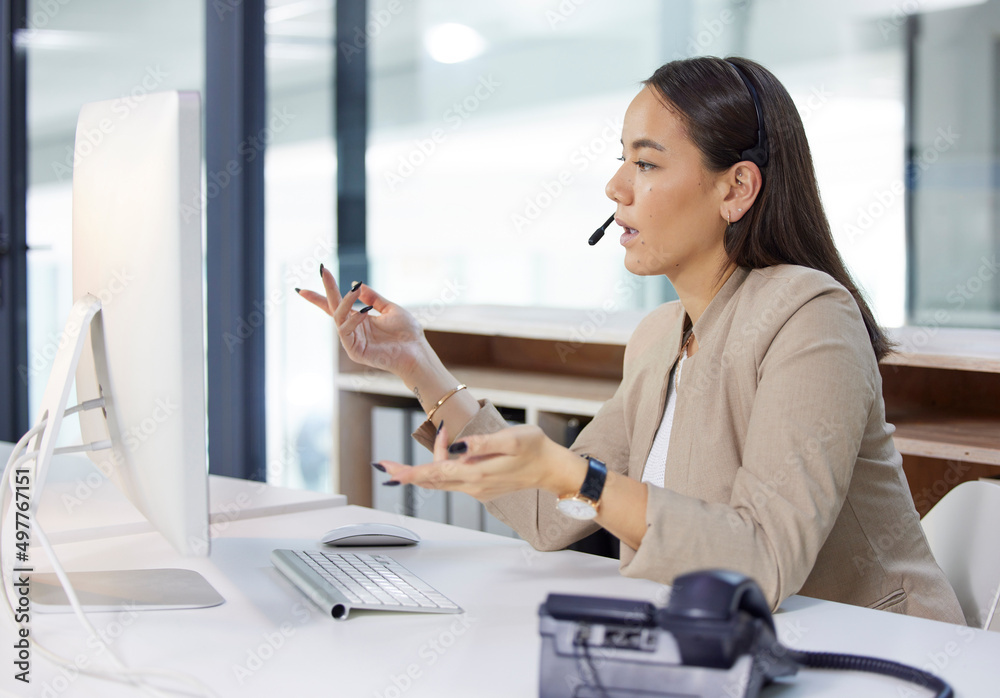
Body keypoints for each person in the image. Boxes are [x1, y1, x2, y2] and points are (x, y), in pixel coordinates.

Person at [299, 56, 965, 624]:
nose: (616, 187)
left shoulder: (811, 316)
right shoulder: (657, 338)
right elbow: (550, 513)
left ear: (736, 188)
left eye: (645, 164)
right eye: (623, 161)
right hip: (729, 650)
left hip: (887, 660)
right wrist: (416, 364)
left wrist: (573, 473)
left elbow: (762, 560)